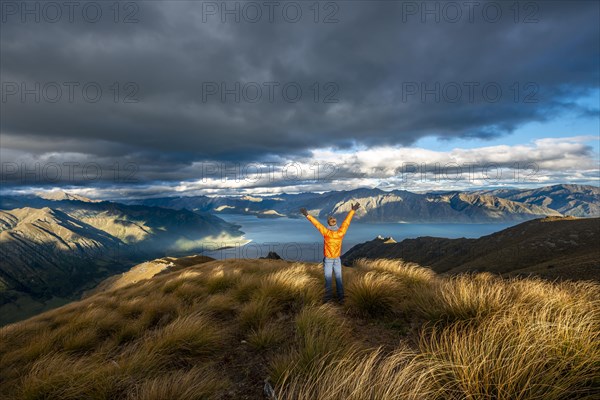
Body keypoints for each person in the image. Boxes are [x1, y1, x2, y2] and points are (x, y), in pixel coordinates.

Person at [300, 203, 360, 303]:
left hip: (328, 259)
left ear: (328, 224)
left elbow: (316, 224)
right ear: (335, 224)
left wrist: (307, 215)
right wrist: (352, 210)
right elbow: (346, 222)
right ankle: (341, 299)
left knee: (328, 280)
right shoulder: (341, 233)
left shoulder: (326, 233)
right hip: (337, 259)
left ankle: (328, 299)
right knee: (339, 279)